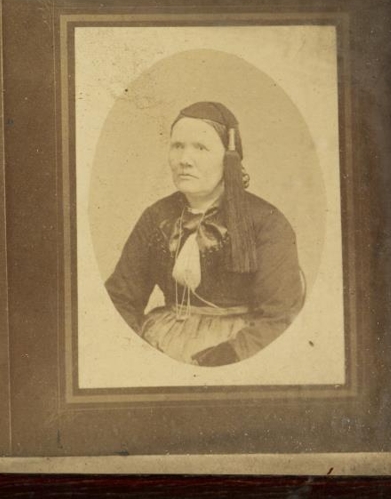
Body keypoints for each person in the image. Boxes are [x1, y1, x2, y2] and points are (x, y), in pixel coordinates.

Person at [104, 101, 304, 367]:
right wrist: (137, 349)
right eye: (177, 146)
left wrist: (231, 355)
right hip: (162, 343)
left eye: (200, 148)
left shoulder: (266, 221)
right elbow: (119, 299)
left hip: (236, 350)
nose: (184, 160)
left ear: (229, 158)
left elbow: (280, 316)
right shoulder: (156, 217)